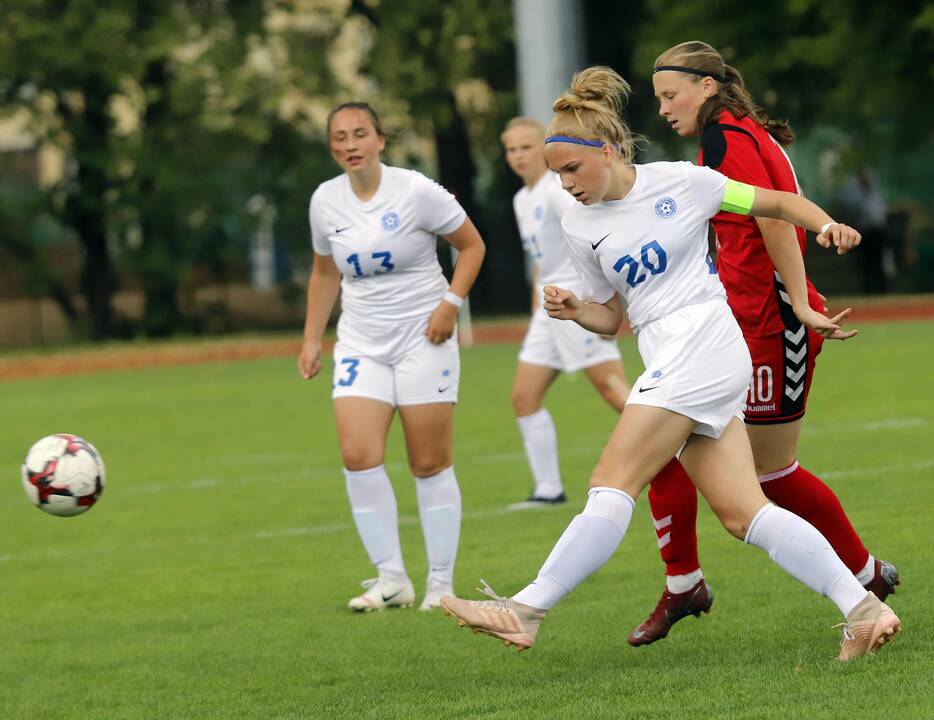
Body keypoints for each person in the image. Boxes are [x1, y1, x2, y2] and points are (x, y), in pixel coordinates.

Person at [440, 67, 900, 661]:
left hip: (702, 345)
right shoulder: (577, 223)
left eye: (572, 169)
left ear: (606, 150)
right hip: (671, 351)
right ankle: (863, 608)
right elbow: (613, 317)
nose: (565, 184)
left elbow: (777, 201)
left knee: (612, 482)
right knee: (743, 512)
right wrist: (577, 308)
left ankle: (526, 609)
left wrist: (827, 224)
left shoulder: (682, 182)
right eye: (555, 175)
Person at [628, 40, 900, 645]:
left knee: (764, 473)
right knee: (666, 441)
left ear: (705, 87)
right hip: (739, 324)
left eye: (670, 96)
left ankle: (860, 578)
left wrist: (800, 304)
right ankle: (686, 584)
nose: (664, 109)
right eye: (659, 99)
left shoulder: (729, 138)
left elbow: (773, 218)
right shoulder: (736, 130)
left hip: (770, 329)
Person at [299, 102, 485, 612]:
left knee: (428, 462)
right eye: (340, 137)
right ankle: (391, 579)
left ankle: (441, 585)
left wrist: (450, 305)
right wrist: (313, 338)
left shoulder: (416, 191)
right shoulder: (325, 201)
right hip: (361, 340)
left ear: (380, 139)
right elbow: (324, 272)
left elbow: (472, 247)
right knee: (358, 455)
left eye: (360, 134)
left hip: (424, 337)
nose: (350, 144)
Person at [502, 117, 693, 508]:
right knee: (523, 396)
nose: (518, 156)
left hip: (575, 300)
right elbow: (541, 259)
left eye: (526, 147)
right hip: (548, 306)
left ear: (545, 148)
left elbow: (592, 244)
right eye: (511, 149)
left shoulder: (561, 193)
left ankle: (682, 449)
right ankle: (548, 490)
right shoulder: (523, 199)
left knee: (612, 389)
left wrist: (597, 303)